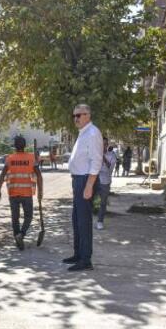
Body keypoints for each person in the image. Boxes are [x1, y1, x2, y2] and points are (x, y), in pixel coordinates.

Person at [63, 103, 103, 271]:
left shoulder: (93, 133)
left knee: (84, 222)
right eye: (74, 116)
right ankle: (78, 254)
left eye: (78, 115)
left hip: (85, 180)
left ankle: (86, 260)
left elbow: (96, 161)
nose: (76, 118)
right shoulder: (83, 133)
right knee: (77, 220)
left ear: (88, 115)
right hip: (78, 180)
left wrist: (89, 186)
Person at [0, 136, 44, 250]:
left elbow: (2, 175)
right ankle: (21, 235)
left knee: (15, 218)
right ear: (24, 146)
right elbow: (39, 175)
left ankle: (18, 241)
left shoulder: (10, 158)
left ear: (15, 146)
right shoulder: (31, 158)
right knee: (28, 216)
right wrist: (40, 191)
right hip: (27, 193)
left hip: (13, 193)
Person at [96, 139, 117, 230]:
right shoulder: (95, 154)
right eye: (101, 144)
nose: (103, 146)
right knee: (88, 201)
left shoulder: (112, 156)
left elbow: (109, 169)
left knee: (103, 203)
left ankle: (100, 221)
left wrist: (103, 158)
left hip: (105, 181)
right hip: (94, 180)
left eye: (105, 144)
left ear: (107, 145)